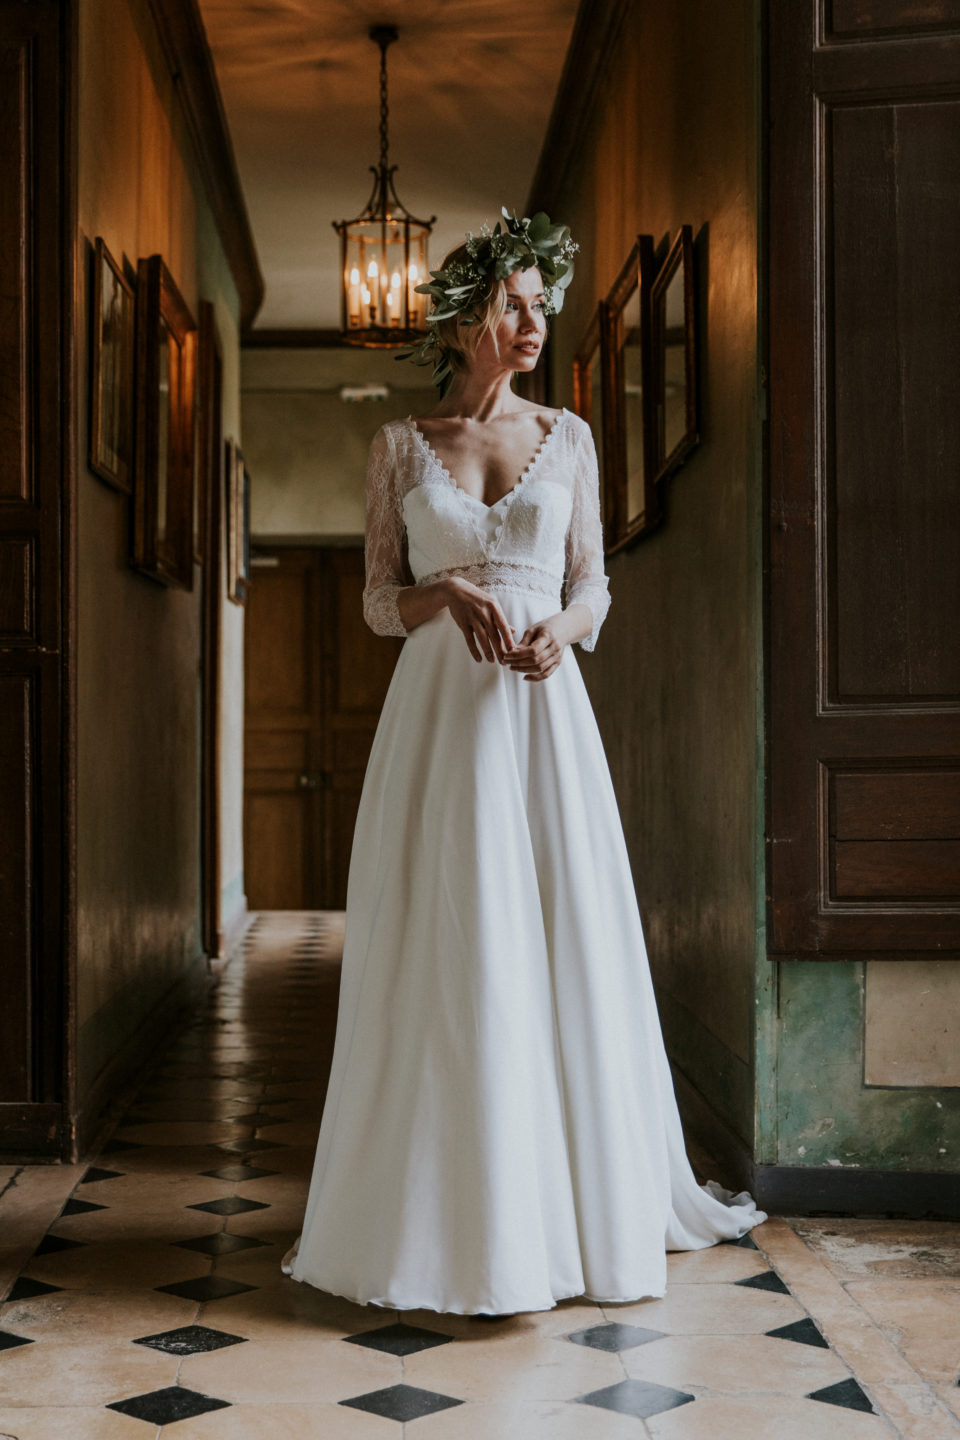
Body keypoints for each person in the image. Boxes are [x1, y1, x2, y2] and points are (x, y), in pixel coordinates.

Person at [281, 209, 765, 1316]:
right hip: (441, 728)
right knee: (454, 945)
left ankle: (578, 1212)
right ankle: (448, 1216)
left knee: (560, 942)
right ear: (465, 318)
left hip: (545, 725)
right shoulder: (400, 447)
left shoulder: (575, 439)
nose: (536, 320)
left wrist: (563, 622)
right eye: (517, 302)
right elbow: (371, 601)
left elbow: (594, 582)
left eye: (544, 302)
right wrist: (449, 593)